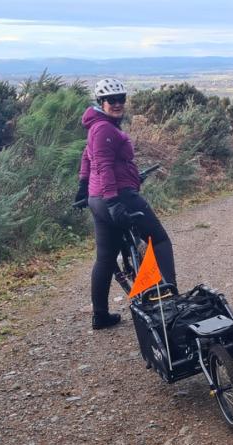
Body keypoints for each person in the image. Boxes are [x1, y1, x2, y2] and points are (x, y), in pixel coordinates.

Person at [75, 78, 177, 330]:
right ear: (101, 102)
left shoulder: (96, 127)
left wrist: (82, 186)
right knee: (159, 240)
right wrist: (113, 202)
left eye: (121, 98)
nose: (118, 103)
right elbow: (103, 165)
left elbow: (88, 159)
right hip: (117, 196)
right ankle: (172, 301)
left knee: (106, 258)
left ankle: (100, 315)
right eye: (112, 100)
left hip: (96, 199)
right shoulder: (105, 130)